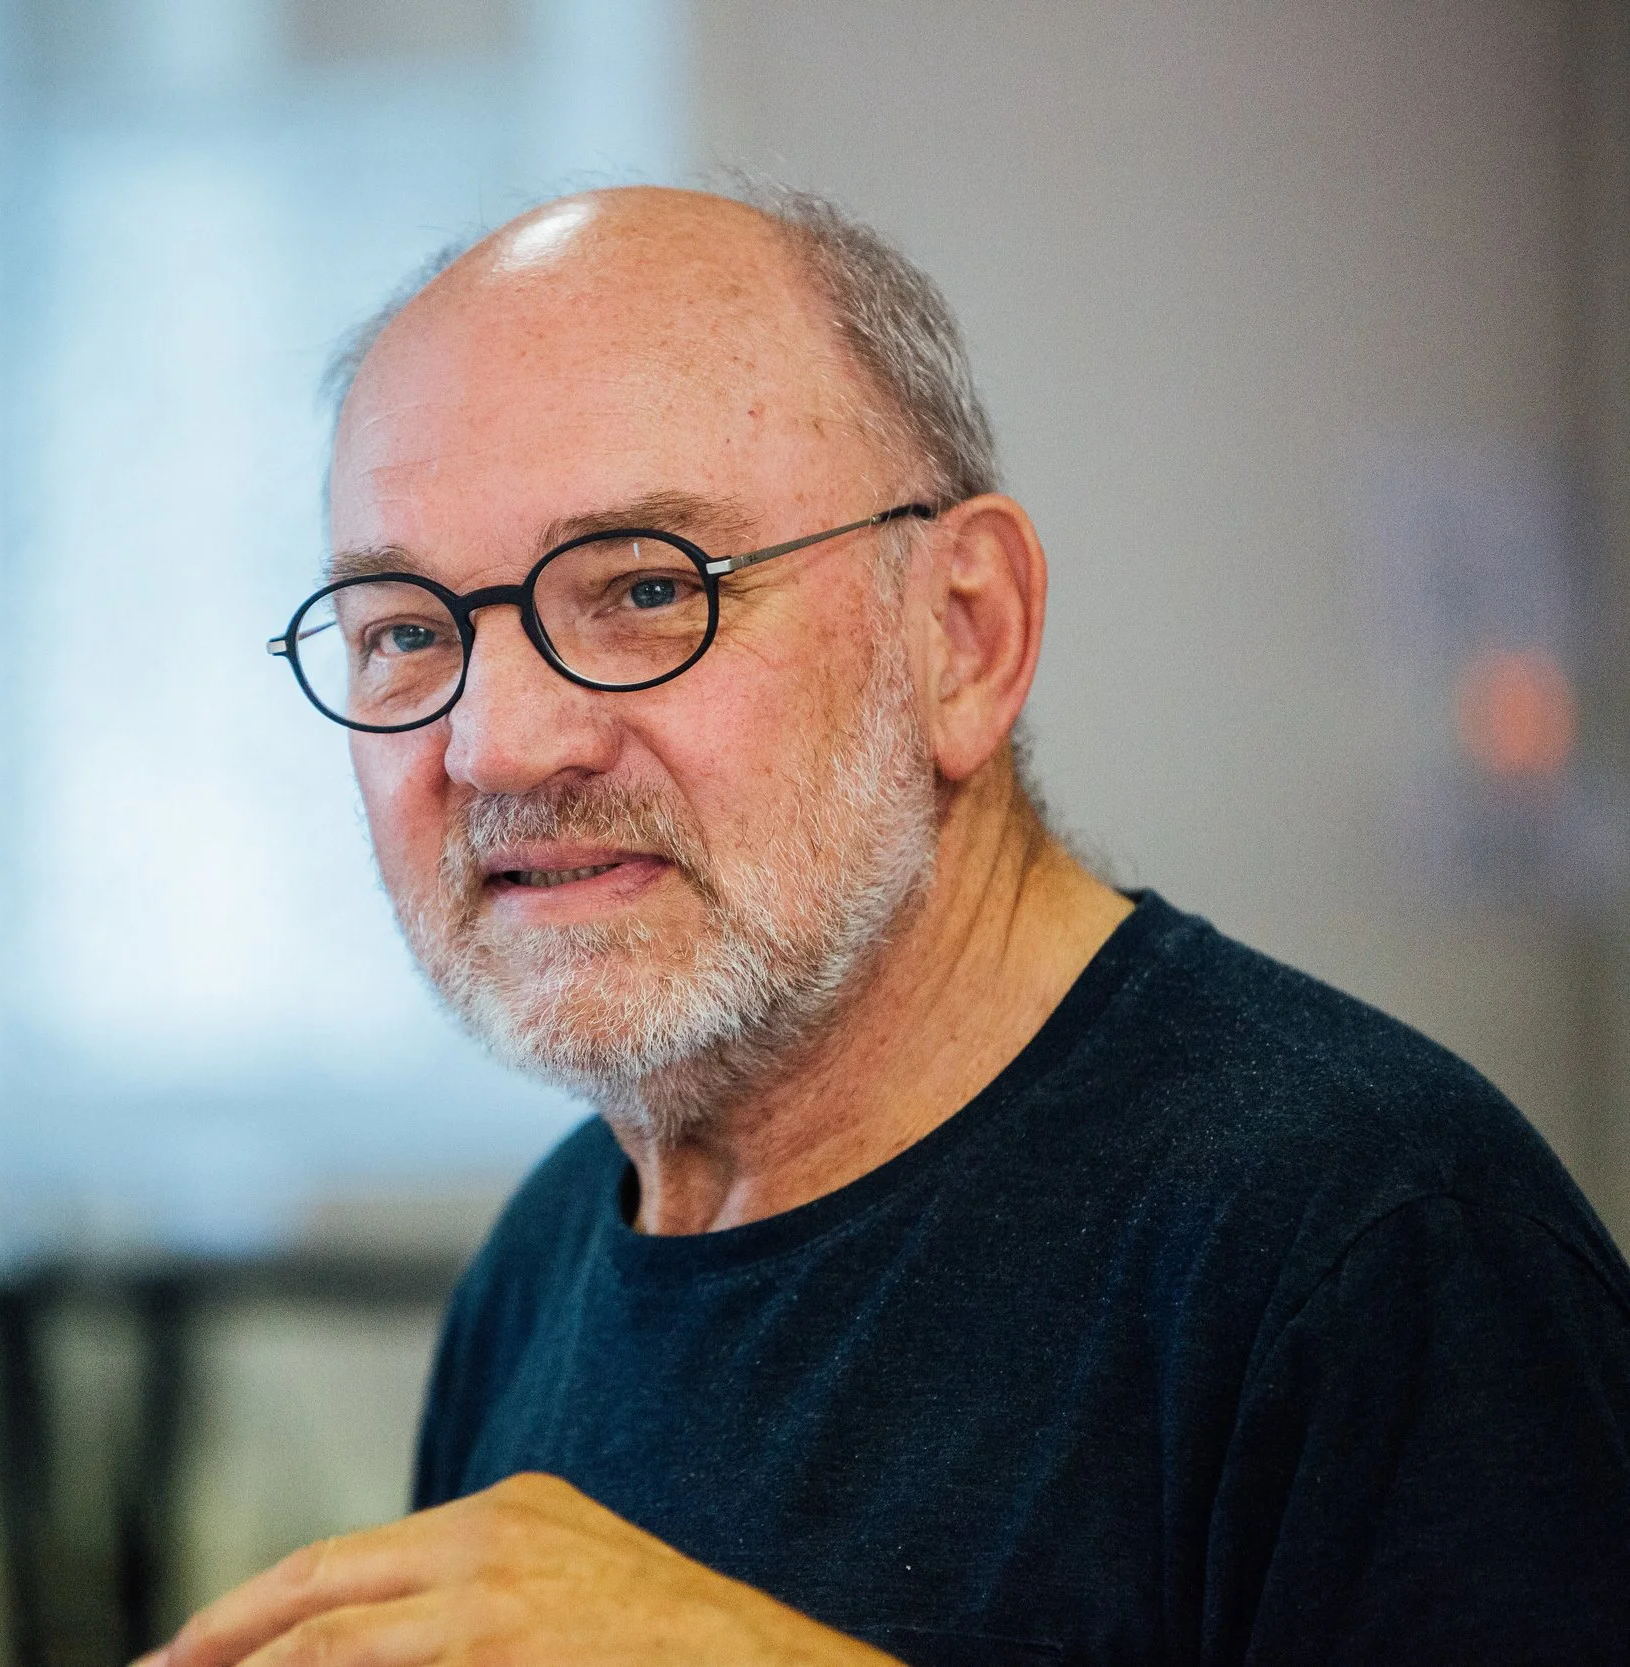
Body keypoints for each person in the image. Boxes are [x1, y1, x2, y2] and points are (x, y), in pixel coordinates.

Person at [148, 184, 1630, 1666]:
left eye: (649, 589)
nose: (500, 744)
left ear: (963, 637)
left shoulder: (1375, 1244)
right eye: (405, 630)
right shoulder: (539, 1265)